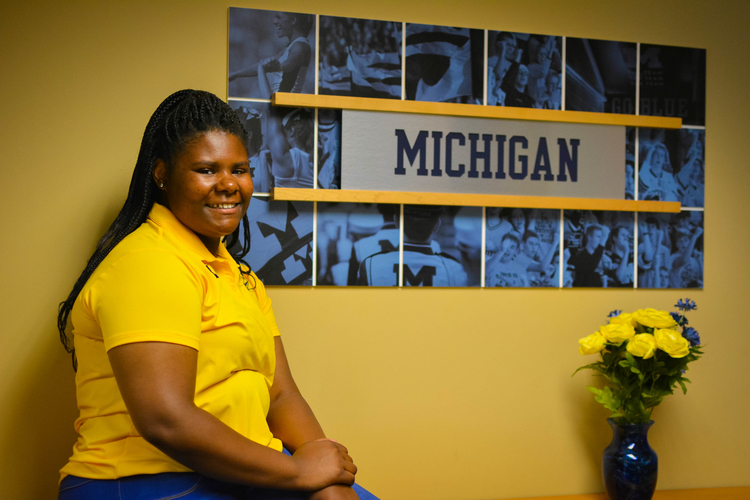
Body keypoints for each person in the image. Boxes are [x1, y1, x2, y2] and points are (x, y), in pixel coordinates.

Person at [56, 90, 375, 500]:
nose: (228, 184)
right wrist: (297, 473)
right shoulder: (148, 262)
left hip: (242, 472)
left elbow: (281, 393)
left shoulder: (239, 276)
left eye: (240, 169)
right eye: (207, 169)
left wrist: (325, 473)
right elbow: (165, 420)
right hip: (145, 480)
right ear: (162, 174)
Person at [229, 12, 313, 94]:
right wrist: (236, 74)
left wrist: (280, 66)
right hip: (279, 104)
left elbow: (293, 60)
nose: (274, 21)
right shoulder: (292, 46)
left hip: (284, 106)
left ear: (293, 20)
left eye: (279, 17)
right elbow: (263, 65)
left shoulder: (300, 46)